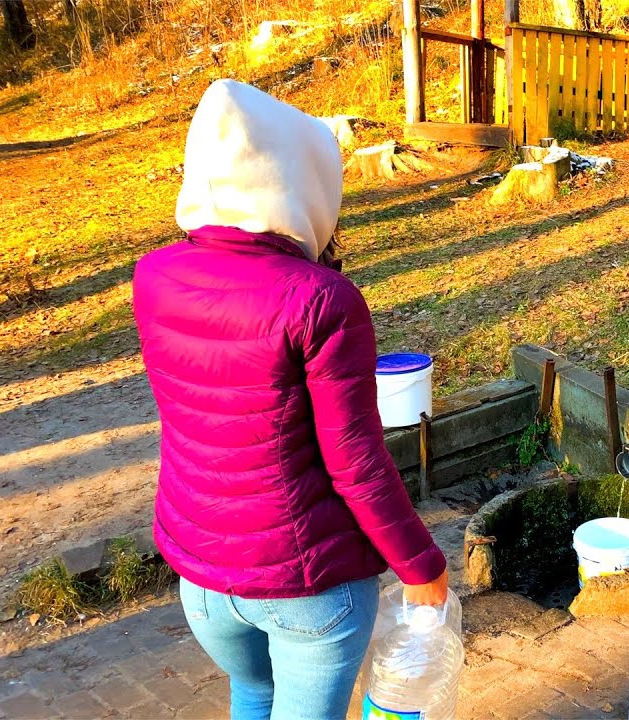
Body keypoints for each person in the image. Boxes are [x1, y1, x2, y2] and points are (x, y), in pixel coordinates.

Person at [132, 79, 448, 720]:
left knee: (252, 694)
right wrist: (422, 566)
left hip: (203, 580)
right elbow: (354, 463)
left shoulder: (154, 277)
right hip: (307, 589)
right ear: (305, 184)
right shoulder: (321, 300)